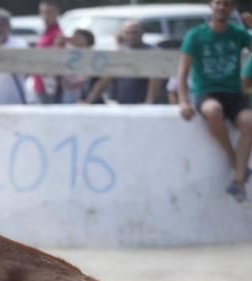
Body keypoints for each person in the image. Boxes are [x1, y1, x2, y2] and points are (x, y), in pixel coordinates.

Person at [178, 0, 252, 204]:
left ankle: (238, 181)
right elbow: (182, 73)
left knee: (249, 122)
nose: (222, 7)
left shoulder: (238, 34)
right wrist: (183, 101)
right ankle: (233, 158)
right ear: (211, 5)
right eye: (219, 3)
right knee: (214, 111)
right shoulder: (196, 35)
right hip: (207, 92)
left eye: (227, 4)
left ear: (232, 8)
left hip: (234, 93)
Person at [82, 20, 164, 105]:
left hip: (142, 104)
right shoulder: (119, 52)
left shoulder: (152, 52)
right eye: (128, 33)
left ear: (142, 33)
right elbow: (105, 79)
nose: (131, 36)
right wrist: (89, 101)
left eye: (134, 33)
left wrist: (149, 103)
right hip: (121, 104)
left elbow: (156, 79)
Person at [27, 1, 64, 104]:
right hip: (40, 85)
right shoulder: (46, 32)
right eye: (43, 12)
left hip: (50, 87)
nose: (46, 16)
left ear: (57, 13)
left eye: (49, 12)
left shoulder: (57, 33)